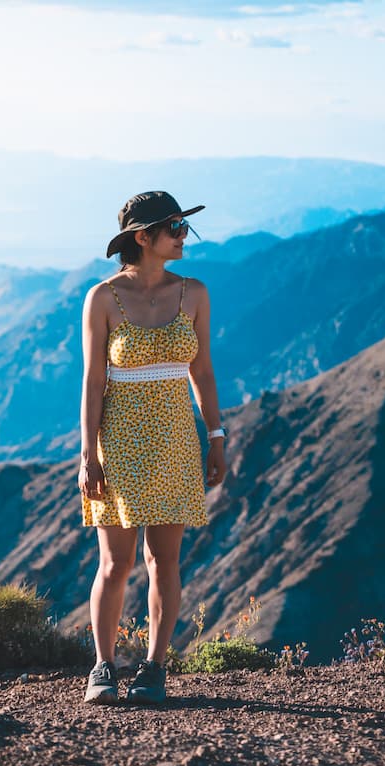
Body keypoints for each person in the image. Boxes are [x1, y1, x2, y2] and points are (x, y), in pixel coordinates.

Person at [78, 190, 227, 705]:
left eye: (183, 228)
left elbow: (202, 371)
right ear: (143, 238)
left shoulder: (196, 293)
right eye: (175, 229)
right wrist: (86, 455)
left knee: (164, 560)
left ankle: (154, 668)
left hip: (175, 443)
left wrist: (215, 436)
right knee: (114, 563)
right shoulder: (102, 298)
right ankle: (103, 666)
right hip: (116, 443)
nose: (183, 237)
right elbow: (92, 381)